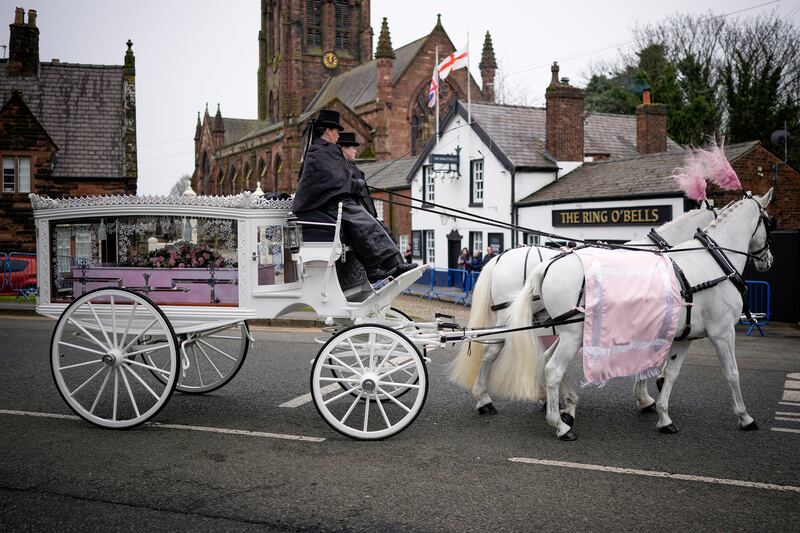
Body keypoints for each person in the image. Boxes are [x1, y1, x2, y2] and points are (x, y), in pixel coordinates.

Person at [293, 110, 416, 283]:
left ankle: (393, 263)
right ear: (328, 131)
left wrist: (355, 184)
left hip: (331, 201)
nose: (338, 135)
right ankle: (376, 267)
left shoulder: (326, 150)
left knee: (370, 221)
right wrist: (355, 185)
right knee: (363, 221)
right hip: (321, 205)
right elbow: (332, 179)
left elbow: (340, 177)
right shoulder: (318, 151)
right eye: (336, 131)